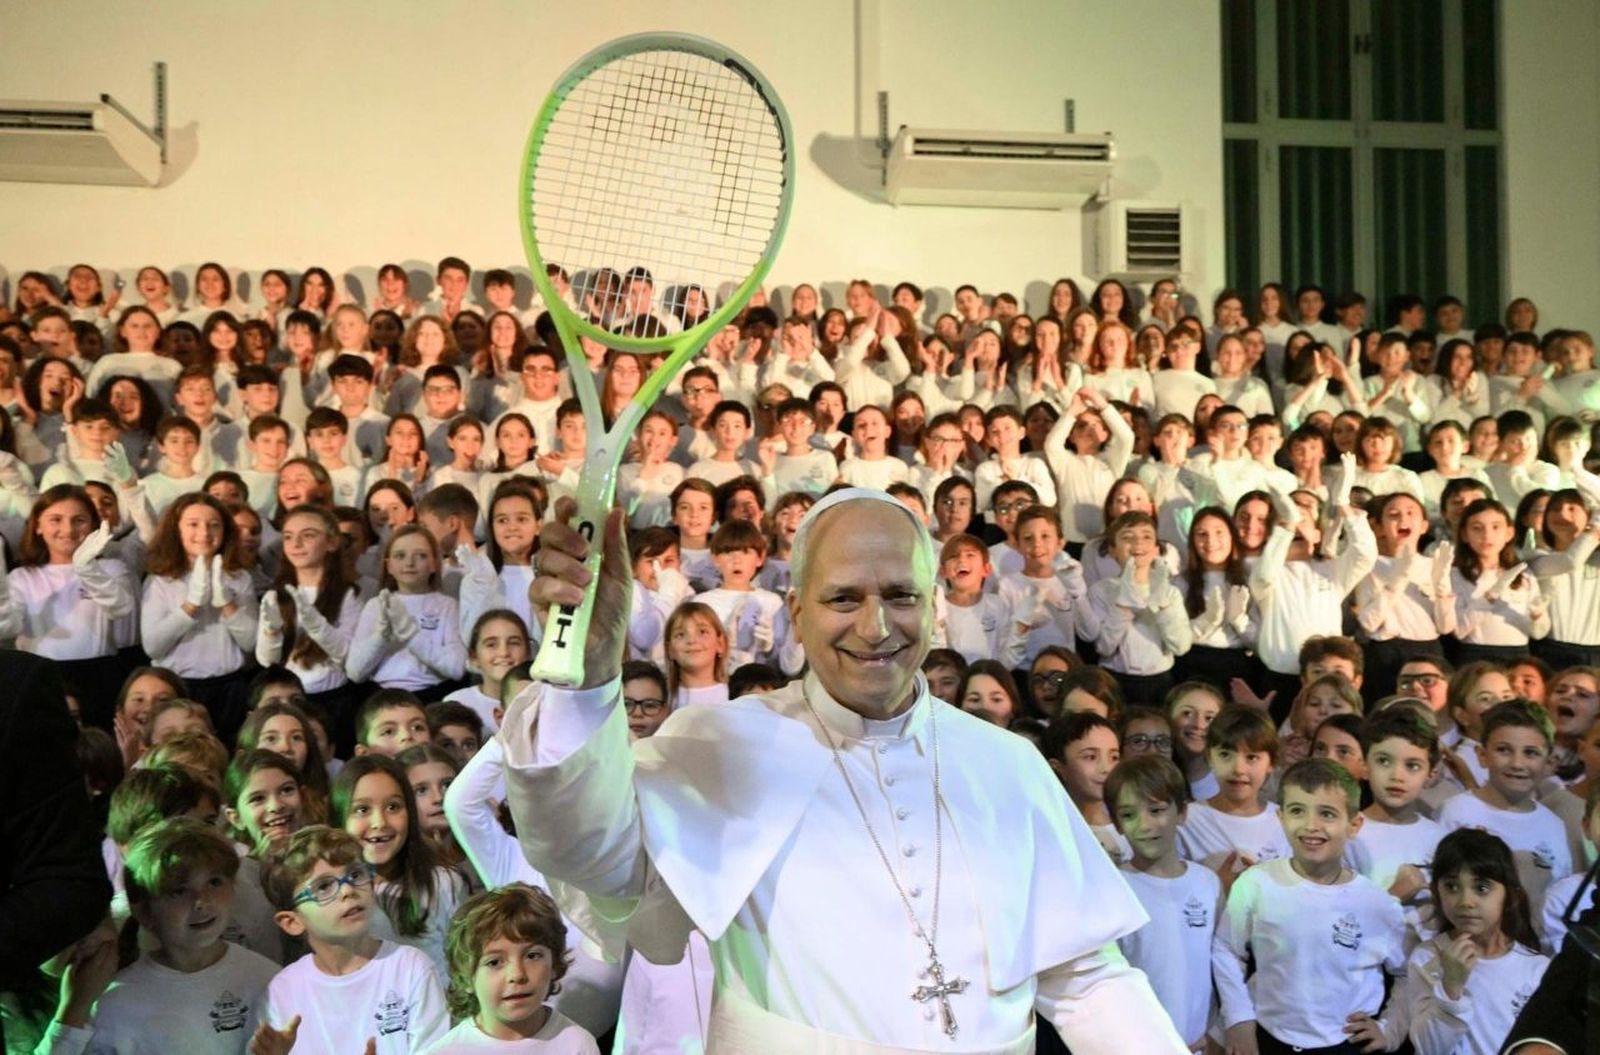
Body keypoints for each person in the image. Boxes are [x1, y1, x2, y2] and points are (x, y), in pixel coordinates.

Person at [503, 487, 1184, 1050]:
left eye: (901, 595)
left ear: (933, 605)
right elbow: (588, 852)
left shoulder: (1006, 762)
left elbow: (1088, 979)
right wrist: (584, 684)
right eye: (844, 599)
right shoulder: (721, 744)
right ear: (798, 613)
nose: (876, 625)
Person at [1212, 759, 1407, 1055]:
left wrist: (1389, 1028)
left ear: (1354, 825)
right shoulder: (1256, 883)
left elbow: (1407, 973)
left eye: (1326, 813)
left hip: (1345, 1045)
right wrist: (1239, 1018)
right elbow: (1226, 948)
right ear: (1280, 817)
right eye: (1297, 811)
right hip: (1267, 1038)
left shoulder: (1378, 904)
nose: (1310, 825)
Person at [256, 825, 448, 1053]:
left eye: (356, 875)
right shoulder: (282, 991)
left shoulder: (411, 968)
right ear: (292, 922)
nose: (347, 890)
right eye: (323, 886)